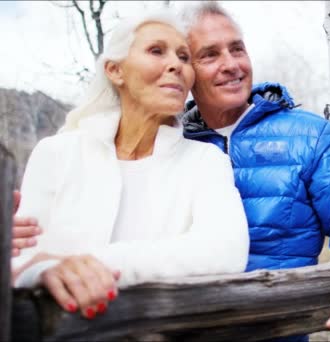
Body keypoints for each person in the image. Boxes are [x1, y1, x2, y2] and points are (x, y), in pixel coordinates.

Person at [13, 2, 330, 341]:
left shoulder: (308, 136)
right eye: (208, 55)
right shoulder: (163, 142)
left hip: (272, 331)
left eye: (237, 49)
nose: (230, 65)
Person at [10, 9, 249, 320]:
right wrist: (41, 269)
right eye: (156, 51)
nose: (176, 64)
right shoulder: (55, 154)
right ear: (115, 71)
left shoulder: (206, 162)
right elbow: (22, 260)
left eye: (184, 56)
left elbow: (225, 251)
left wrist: (87, 264)